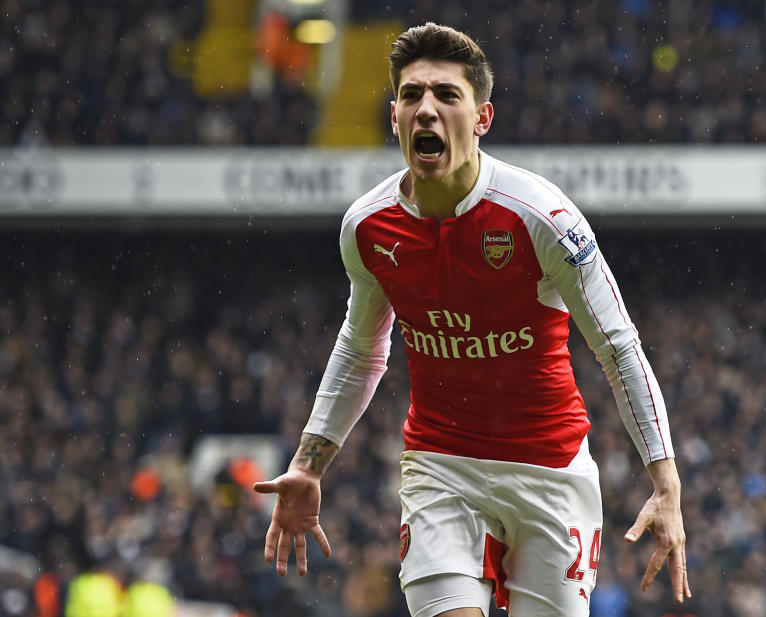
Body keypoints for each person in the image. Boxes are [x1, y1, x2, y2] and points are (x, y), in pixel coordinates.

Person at [253, 22, 691, 617]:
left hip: (550, 470)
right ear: (394, 117)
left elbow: (617, 347)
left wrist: (666, 484)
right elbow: (362, 350)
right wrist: (307, 466)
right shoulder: (368, 226)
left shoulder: (542, 217)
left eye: (446, 95)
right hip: (441, 468)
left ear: (483, 118)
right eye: (412, 96)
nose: (426, 109)